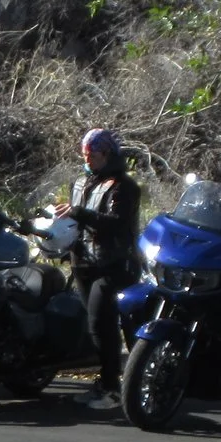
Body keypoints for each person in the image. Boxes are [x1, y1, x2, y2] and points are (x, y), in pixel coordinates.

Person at [53, 128, 142, 398]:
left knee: (102, 323)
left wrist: (80, 214)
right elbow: (75, 221)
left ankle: (112, 385)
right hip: (83, 262)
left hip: (113, 264)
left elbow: (117, 223)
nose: (87, 159)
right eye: (84, 154)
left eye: (92, 154)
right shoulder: (80, 182)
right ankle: (108, 381)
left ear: (106, 153)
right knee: (94, 326)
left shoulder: (124, 187)